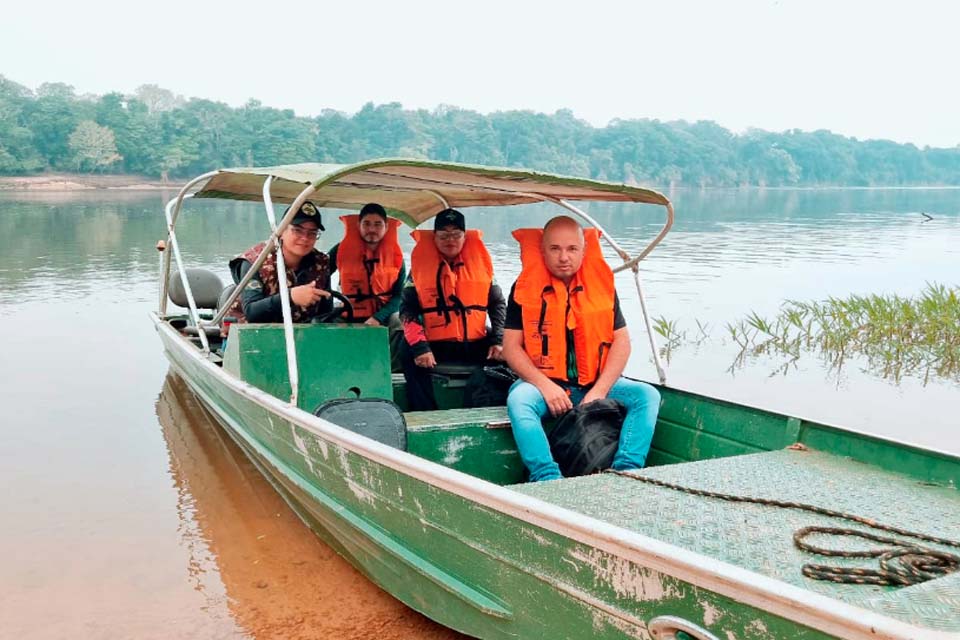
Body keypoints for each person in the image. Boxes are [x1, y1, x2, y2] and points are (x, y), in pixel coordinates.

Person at [502, 215, 660, 482]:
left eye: (572, 249)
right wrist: (545, 385)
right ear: (543, 250)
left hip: (596, 385)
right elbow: (511, 348)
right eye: (555, 248)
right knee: (519, 401)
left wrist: (598, 391)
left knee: (647, 396)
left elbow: (622, 342)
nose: (564, 257)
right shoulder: (524, 287)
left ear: (583, 250)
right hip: (545, 386)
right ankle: (546, 476)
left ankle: (626, 470)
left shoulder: (602, 285)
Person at [399, 208, 507, 411]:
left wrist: (498, 340)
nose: (451, 240)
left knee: (512, 350)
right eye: (444, 235)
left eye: (456, 234)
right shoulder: (419, 270)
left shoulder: (482, 267)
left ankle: (483, 407)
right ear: (435, 237)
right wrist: (421, 347)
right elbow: (407, 310)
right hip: (436, 345)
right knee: (407, 348)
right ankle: (424, 411)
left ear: (465, 237)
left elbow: (498, 304)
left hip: (474, 343)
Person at [226, 200, 333, 324]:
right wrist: (290, 297)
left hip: (302, 334)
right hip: (250, 334)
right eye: (297, 230)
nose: (305, 238)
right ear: (281, 231)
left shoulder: (321, 262)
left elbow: (326, 311)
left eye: (312, 233)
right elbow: (251, 312)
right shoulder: (255, 261)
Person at [328, 202, 406, 326]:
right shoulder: (340, 250)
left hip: (383, 316)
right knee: (329, 324)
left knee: (398, 320)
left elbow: (399, 296)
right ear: (359, 225)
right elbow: (320, 276)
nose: (372, 229)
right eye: (367, 224)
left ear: (386, 226)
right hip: (349, 313)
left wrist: (377, 318)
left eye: (377, 224)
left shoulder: (396, 256)